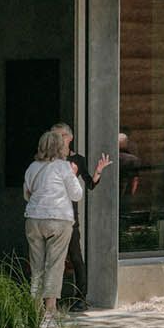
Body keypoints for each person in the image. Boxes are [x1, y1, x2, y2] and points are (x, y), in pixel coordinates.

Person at [24, 125, 83, 326]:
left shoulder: (32, 167)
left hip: (34, 219)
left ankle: (34, 306)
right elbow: (77, 194)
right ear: (60, 147)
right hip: (59, 219)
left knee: (36, 265)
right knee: (55, 264)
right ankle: (51, 307)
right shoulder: (64, 167)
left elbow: (27, 193)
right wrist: (74, 174)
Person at [59, 131, 112, 311]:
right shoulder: (50, 160)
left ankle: (81, 297)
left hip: (70, 215)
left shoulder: (77, 160)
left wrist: (98, 171)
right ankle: (49, 298)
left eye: (61, 135)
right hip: (53, 214)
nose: (57, 139)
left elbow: (89, 184)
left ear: (69, 137)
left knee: (75, 256)